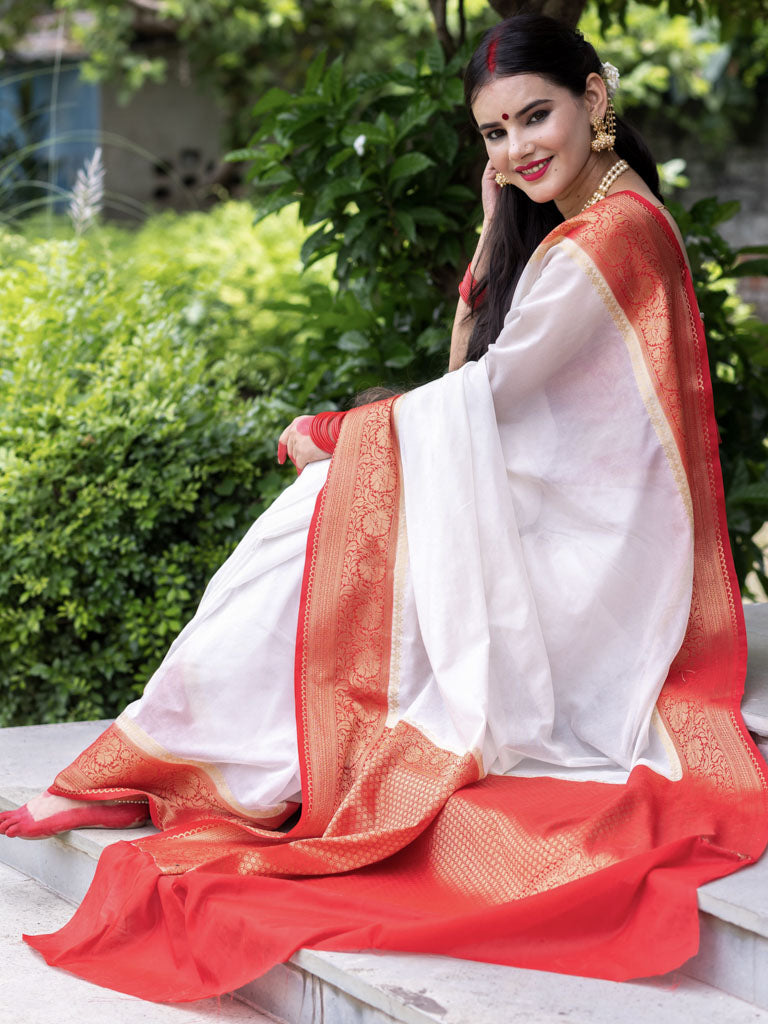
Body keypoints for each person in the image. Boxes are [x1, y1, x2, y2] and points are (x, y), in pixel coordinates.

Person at [2, 12, 766, 1004]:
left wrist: (336, 431)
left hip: (599, 573)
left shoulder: (610, 239)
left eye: (537, 116)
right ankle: (181, 752)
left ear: (595, 98)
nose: (519, 147)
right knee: (326, 514)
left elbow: (491, 401)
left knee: (317, 510)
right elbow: (479, 377)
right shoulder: (594, 221)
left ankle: (181, 754)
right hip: (573, 533)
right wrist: (496, 225)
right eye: (495, 134)